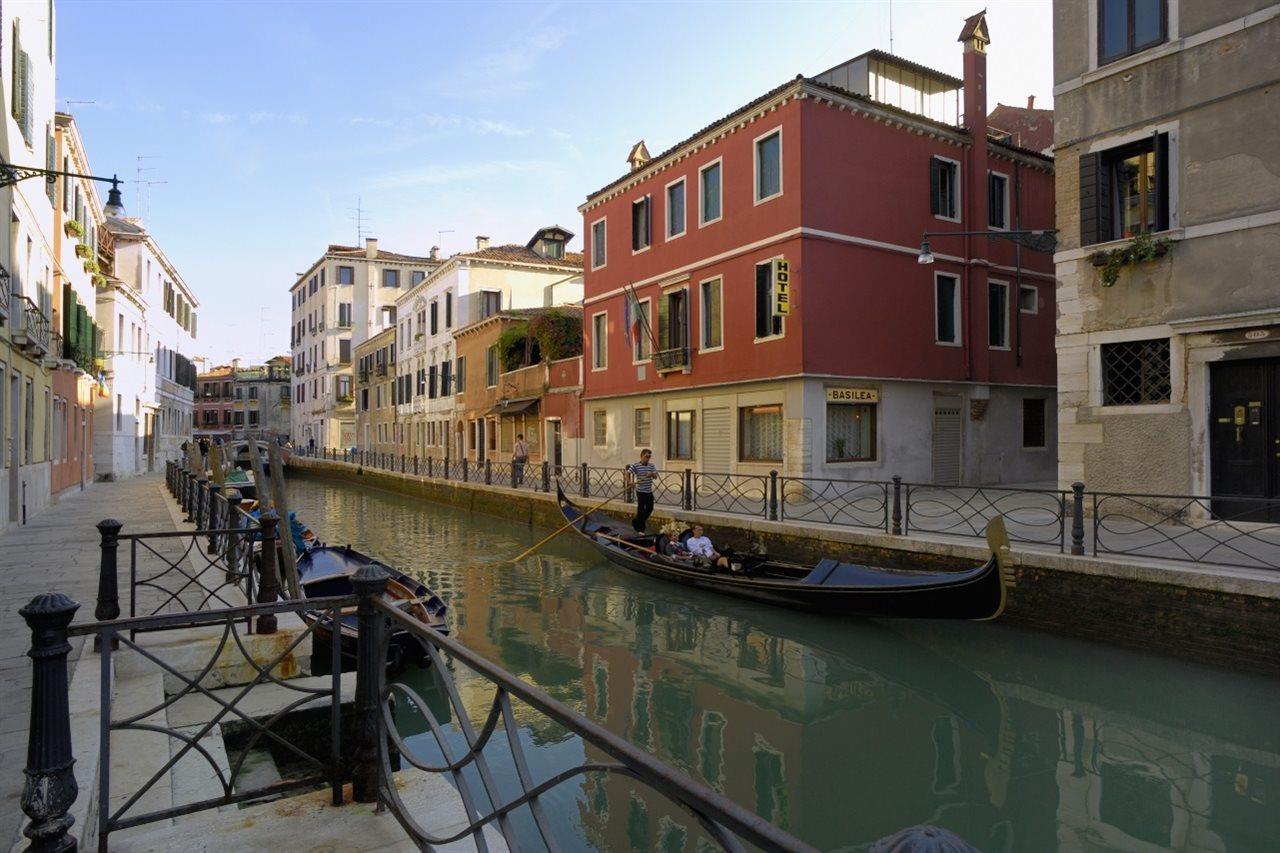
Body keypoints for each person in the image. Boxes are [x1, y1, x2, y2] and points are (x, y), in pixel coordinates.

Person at [624, 449, 657, 533]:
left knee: (650, 508)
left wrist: (652, 474)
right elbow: (627, 473)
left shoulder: (651, 466)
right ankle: (640, 529)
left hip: (649, 491)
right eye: (647, 456)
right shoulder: (636, 465)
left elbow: (656, 476)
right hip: (640, 491)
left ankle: (637, 522)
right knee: (641, 510)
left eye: (649, 457)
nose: (648, 458)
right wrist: (630, 482)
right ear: (641, 456)